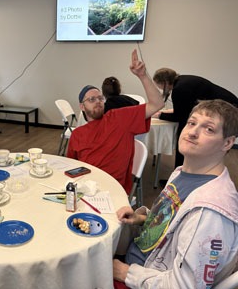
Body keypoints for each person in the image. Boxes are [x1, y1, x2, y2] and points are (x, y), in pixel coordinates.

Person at [113, 99, 238, 288]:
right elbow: (170, 219)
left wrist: (125, 273)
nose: (192, 132)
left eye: (209, 129)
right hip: (137, 259)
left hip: (140, 277)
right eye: (192, 123)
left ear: (227, 143)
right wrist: (142, 217)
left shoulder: (211, 213)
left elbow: (185, 285)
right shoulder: (182, 172)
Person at [67, 50, 164, 194]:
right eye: (91, 100)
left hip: (112, 190)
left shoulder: (119, 118)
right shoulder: (77, 134)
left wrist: (142, 75)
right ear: (82, 106)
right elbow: (71, 166)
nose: (98, 102)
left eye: (100, 98)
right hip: (84, 188)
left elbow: (157, 104)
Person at [152, 68, 238, 168]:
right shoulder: (183, 80)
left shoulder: (179, 89)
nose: (159, 88)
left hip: (230, 111)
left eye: (158, 84)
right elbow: (187, 108)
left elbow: (180, 116)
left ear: (165, 82)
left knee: (184, 134)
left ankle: (182, 174)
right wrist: (165, 112)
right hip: (230, 106)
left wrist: (159, 115)